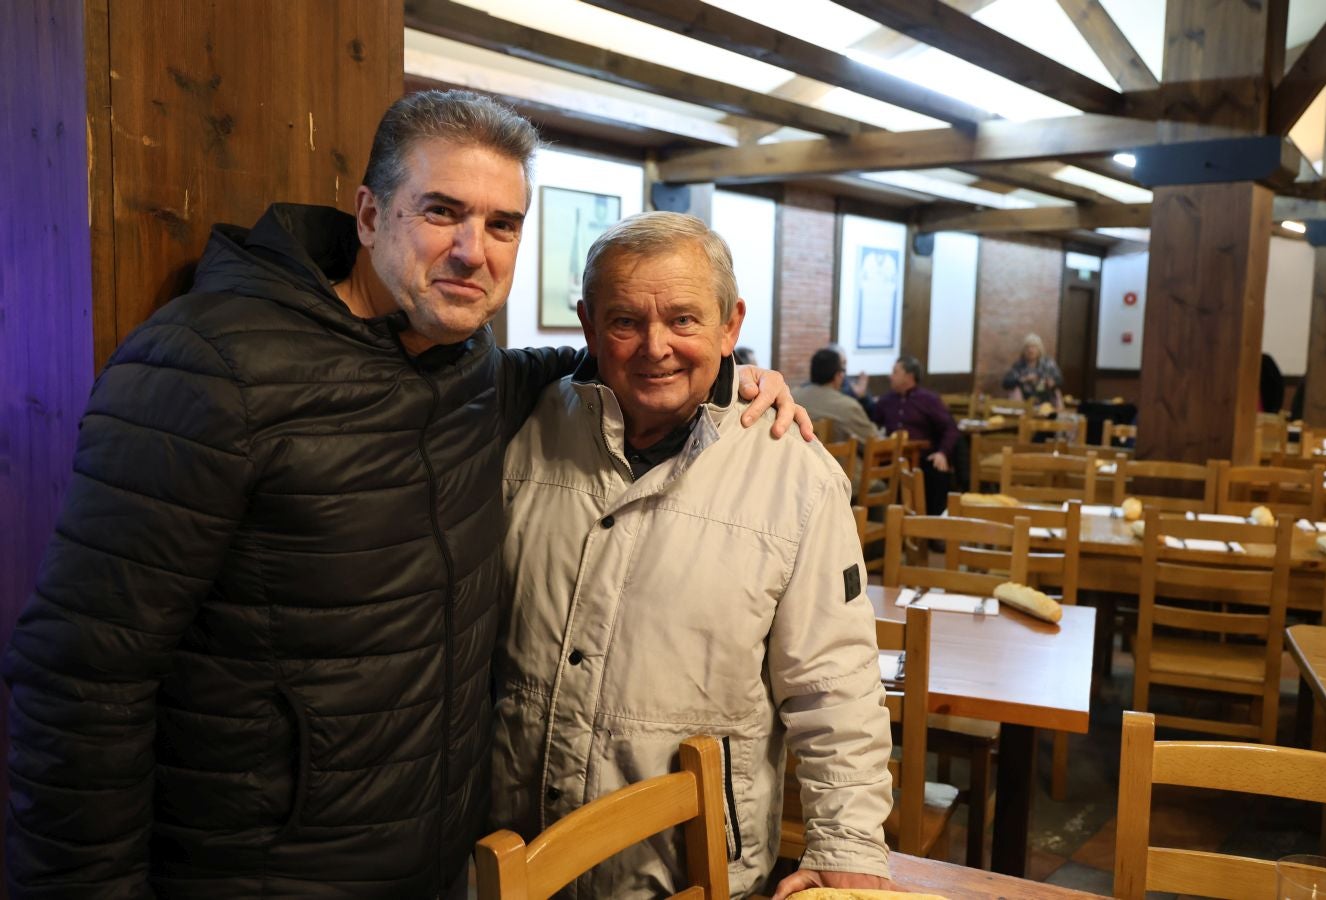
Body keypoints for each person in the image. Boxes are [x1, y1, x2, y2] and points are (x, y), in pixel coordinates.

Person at [3, 89, 804, 899]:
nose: (472, 250)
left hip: (439, 860)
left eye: (501, 225)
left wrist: (731, 378)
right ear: (368, 214)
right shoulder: (211, 365)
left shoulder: (470, 369)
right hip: (264, 872)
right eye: (441, 211)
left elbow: (598, 362)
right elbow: (80, 676)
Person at [491, 212, 895, 899]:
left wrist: (848, 844)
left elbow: (834, 683)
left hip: (692, 872)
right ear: (587, 325)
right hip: (515, 855)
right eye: (625, 322)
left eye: (684, 320)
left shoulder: (792, 473)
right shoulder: (525, 433)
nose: (656, 348)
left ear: (730, 325)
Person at [872, 355, 959, 515]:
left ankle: (933, 530)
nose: (890, 376)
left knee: (937, 472)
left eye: (895, 372)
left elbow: (950, 428)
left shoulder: (929, 400)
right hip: (891, 457)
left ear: (909, 376)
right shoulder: (886, 400)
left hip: (923, 457)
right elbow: (871, 424)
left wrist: (942, 453)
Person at [797, 347, 883, 446]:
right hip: (836, 460)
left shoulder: (792, 397)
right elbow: (873, 438)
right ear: (838, 375)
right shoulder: (848, 406)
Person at [1002, 332, 1063, 408]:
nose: (1030, 350)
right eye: (1027, 347)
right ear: (1024, 350)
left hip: (1046, 400)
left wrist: (1051, 382)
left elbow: (1060, 380)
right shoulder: (1019, 365)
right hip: (1024, 402)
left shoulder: (1048, 363)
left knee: (1057, 392)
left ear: (1039, 349)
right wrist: (1023, 379)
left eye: (1034, 347)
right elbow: (1005, 383)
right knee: (1014, 391)